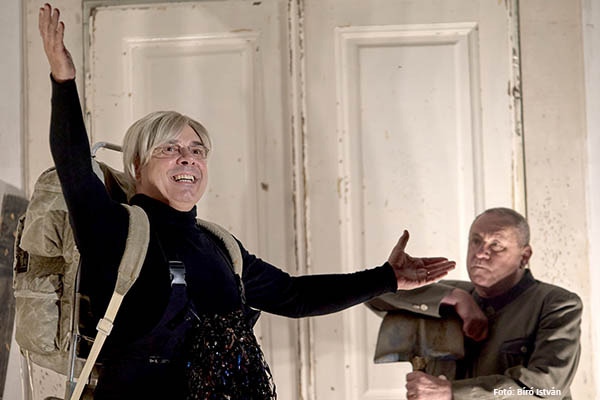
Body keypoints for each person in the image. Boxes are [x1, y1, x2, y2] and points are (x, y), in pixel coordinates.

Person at [38, 4, 455, 399]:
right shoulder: (116, 232)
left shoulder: (220, 246)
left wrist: (387, 278)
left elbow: (294, 296)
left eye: (197, 150)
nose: (187, 158)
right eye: (169, 149)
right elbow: (75, 168)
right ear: (136, 165)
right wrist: (63, 80)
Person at [367, 207, 582, 400]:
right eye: (476, 241)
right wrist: (456, 297)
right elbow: (373, 296)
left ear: (524, 256)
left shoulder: (557, 305)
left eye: (496, 245)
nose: (480, 253)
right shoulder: (448, 295)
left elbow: (548, 390)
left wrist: (452, 392)